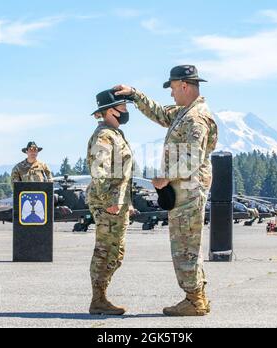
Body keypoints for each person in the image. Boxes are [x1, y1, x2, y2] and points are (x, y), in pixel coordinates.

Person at [114, 65, 218, 316]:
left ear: (184, 85)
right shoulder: (185, 112)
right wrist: (135, 95)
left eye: (172, 89)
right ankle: (197, 297)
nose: (171, 94)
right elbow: (160, 113)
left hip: (188, 192)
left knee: (185, 246)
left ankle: (194, 300)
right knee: (187, 245)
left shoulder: (195, 118)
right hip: (184, 191)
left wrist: (164, 178)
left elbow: (192, 158)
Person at [87, 89, 134, 315]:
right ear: (110, 111)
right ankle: (98, 299)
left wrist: (127, 201)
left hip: (118, 203)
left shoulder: (115, 133)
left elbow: (122, 173)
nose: (126, 111)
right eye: (122, 107)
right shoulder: (104, 135)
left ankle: (101, 297)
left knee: (116, 252)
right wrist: (108, 201)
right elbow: (99, 171)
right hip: (108, 204)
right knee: (105, 250)